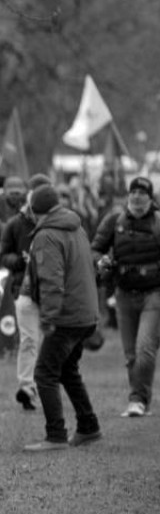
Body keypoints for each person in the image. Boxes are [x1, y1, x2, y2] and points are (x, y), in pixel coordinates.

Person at [22, 185, 102, 451]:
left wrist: (49, 316)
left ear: (35, 211)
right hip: (84, 313)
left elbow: (51, 280)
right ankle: (89, 427)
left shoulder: (46, 236)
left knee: (44, 373)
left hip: (67, 316)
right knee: (68, 370)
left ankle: (55, 435)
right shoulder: (76, 227)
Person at [90, 176, 160, 418]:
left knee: (145, 349)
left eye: (143, 192)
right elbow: (95, 248)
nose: (137, 196)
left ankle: (137, 399)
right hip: (123, 293)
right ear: (128, 195)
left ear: (151, 198)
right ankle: (139, 398)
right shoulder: (114, 220)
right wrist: (101, 261)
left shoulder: (158, 222)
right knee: (130, 354)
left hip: (154, 294)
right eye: (134, 192)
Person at [0, 173, 53, 411]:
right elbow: (4, 255)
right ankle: (27, 386)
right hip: (25, 288)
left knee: (51, 341)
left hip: (53, 289)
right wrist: (20, 261)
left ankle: (49, 385)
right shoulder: (15, 224)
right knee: (29, 339)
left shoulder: (59, 222)